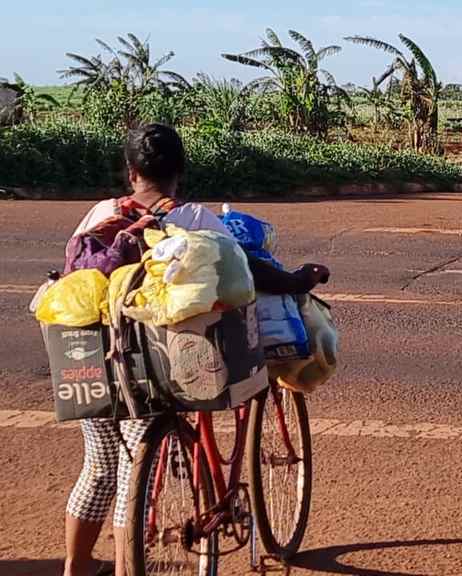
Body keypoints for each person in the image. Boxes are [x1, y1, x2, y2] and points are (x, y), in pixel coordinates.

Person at [61, 124, 327, 576]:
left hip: (93, 362)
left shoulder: (99, 214)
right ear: (179, 173)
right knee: (132, 474)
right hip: (154, 365)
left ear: (131, 173)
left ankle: (76, 564)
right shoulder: (196, 220)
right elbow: (247, 272)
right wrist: (300, 279)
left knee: (100, 466)